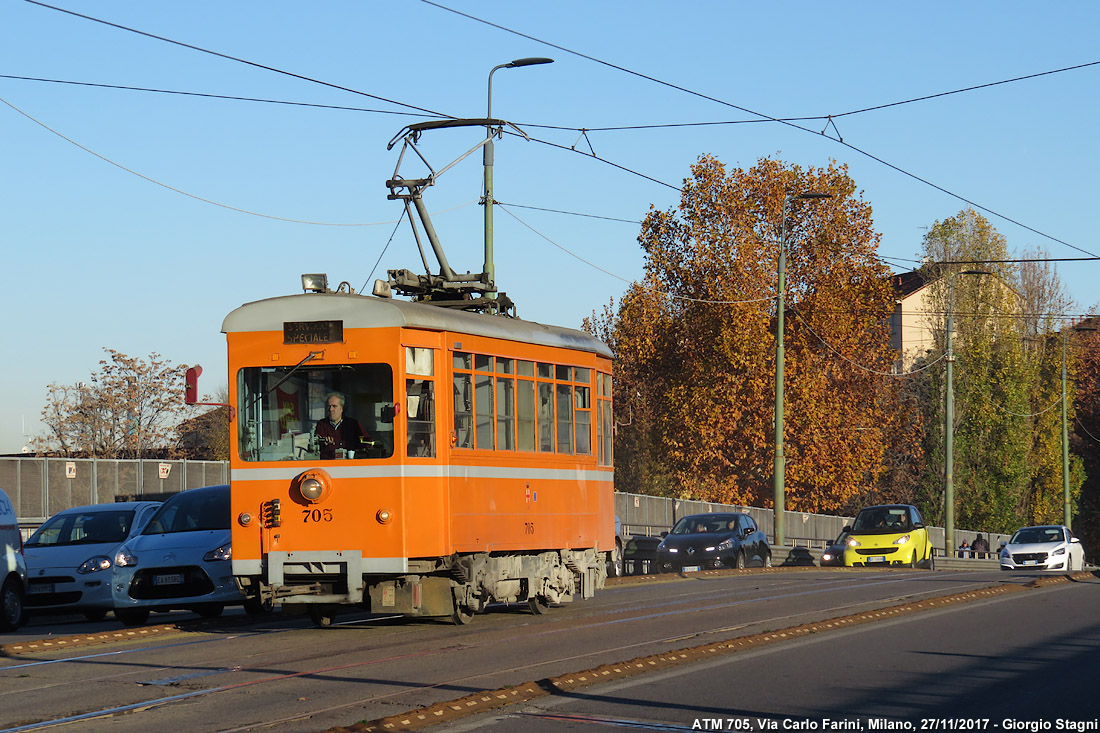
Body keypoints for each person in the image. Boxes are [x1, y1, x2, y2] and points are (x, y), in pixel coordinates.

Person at [314, 392, 371, 459]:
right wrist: (323, 442)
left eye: (334, 406)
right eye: (329, 406)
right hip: (328, 464)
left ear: (342, 408)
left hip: (349, 464)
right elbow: (315, 445)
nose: (330, 409)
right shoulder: (321, 424)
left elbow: (367, 443)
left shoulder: (353, 424)